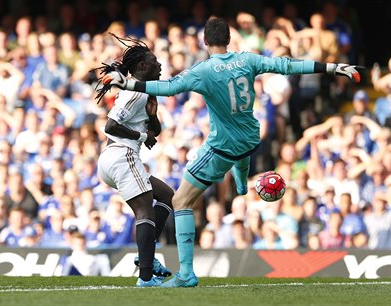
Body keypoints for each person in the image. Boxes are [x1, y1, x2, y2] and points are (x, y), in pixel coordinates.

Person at [98, 17, 361, 287]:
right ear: (229, 40)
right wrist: (333, 67)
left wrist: (127, 84)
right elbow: (288, 65)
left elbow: (169, 88)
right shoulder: (249, 59)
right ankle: (241, 182)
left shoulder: (204, 71)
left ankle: (186, 273)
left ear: (204, 42)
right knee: (239, 148)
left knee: (180, 202)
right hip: (250, 137)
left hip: (223, 146)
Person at [94, 35, 174, 287]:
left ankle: (146, 257)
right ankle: (146, 277)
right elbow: (111, 125)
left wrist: (152, 119)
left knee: (166, 195)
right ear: (142, 67)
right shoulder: (136, 93)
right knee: (144, 211)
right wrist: (141, 135)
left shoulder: (144, 93)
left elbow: (155, 131)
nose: (159, 65)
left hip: (114, 158)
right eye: (154, 61)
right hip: (122, 153)